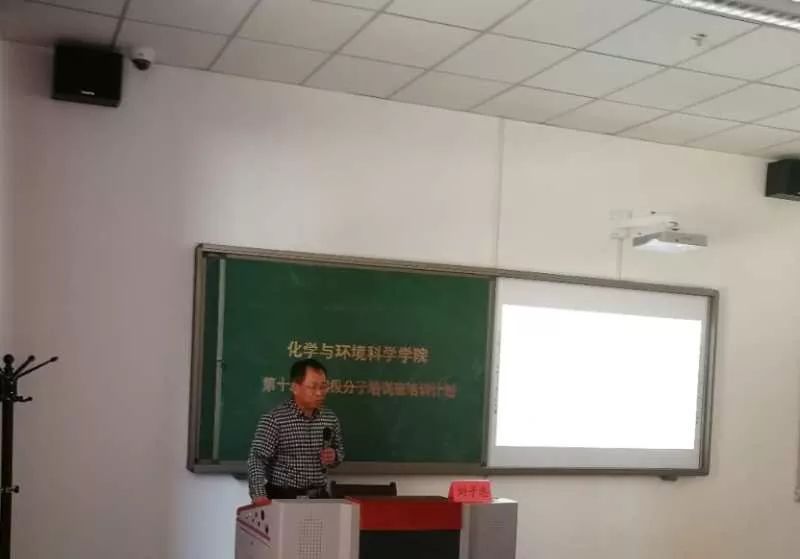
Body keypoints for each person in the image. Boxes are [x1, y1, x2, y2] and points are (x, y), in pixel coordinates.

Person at [247, 358, 344, 503]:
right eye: (313, 387)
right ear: (295, 387)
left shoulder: (330, 418)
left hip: (319, 497)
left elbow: (339, 451)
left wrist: (334, 456)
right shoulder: (275, 419)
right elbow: (257, 459)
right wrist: (259, 495)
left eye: (323, 387)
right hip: (283, 496)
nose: (319, 393)